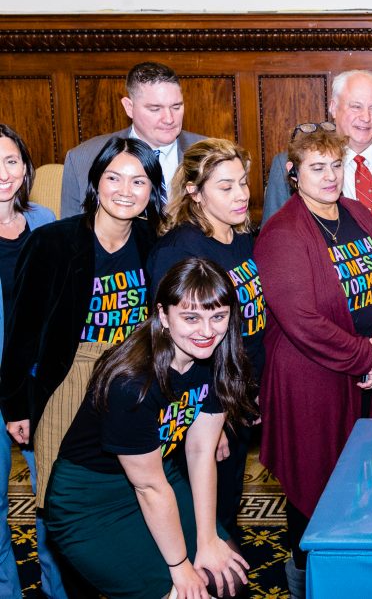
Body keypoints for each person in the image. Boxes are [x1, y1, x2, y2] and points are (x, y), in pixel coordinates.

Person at [46, 257, 254, 599]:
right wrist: (181, 567)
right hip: (89, 503)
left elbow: (201, 450)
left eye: (218, 317)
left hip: (160, 475)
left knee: (227, 579)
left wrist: (206, 541)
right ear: (163, 315)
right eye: (191, 317)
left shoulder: (221, 359)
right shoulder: (133, 382)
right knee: (182, 593)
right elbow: (148, 489)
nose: (206, 332)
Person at [255, 123, 372, 597]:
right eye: (317, 167)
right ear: (293, 173)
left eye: (336, 165)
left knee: (360, 482)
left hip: (361, 375)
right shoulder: (282, 231)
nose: (330, 176)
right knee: (313, 490)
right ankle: (305, 583)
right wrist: (366, 355)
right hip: (308, 381)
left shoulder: (358, 213)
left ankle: (352, 578)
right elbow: (301, 320)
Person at [1, 136, 163, 516]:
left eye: (139, 181)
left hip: (134, 380)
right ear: (96, 183)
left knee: (133, 498)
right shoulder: (52, 242)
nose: (125, 191)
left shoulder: (153, 242)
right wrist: (16, 406)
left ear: (152, 190)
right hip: (68, 382)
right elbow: (23, 332)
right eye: (113, 178)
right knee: (63, 503)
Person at [148, 138, 265, 539]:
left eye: (244, 183)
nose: (241, 195)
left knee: (227, 505)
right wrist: (205, 424)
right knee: (203, 520)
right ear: (195, 193)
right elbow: (177, 346)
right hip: (206, 403)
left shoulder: (243, 237)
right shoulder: (180, 249)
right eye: (226, 186)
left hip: (238, 395)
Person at [0, 125, 64, 598]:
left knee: (53, 498)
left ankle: (58, 589)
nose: (2, 174)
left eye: (10, 161)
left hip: (41, 383)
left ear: (25, 168)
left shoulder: (45, 220)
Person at [262, 70, 372, 228]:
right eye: (356, 107)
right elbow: (273, 237)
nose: (366, 118)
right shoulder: (291, 164)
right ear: (333, 107)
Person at [61, 62, 204, 217]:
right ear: (129, 107)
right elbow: (70, 234)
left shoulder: (212, 154)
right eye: (155, 109)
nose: (169, 119)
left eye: (176, 107)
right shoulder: (82, 158)